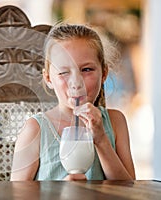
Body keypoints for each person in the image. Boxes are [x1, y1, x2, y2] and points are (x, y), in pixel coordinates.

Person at [10, 22, 135, 181]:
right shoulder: (36, 130)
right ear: (48, 78)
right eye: (63, 72)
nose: (76, 82)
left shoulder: (115, 122)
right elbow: (16, 195)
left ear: (104, 73)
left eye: (86, 70)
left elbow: (130, 190)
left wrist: (101, 139)